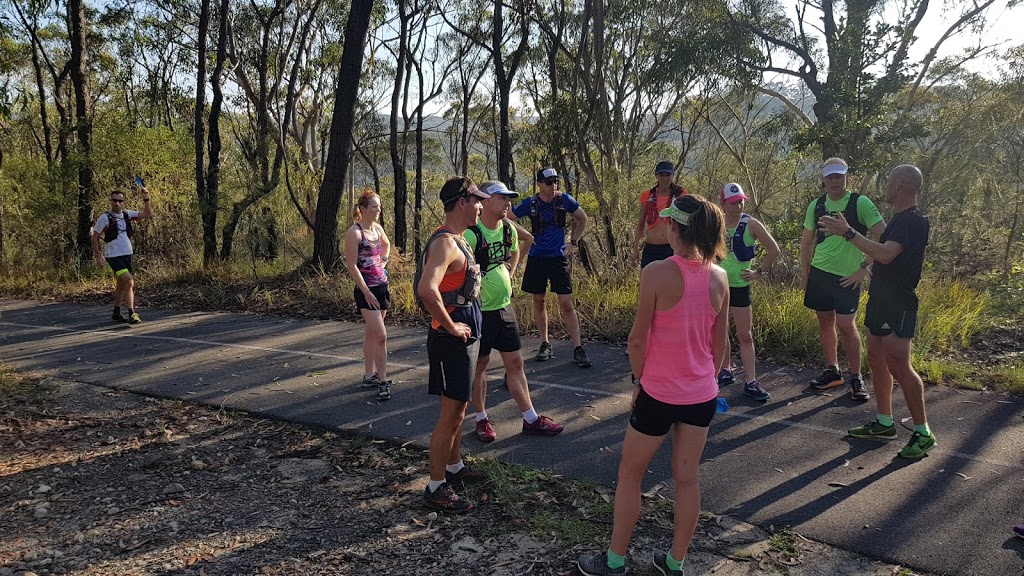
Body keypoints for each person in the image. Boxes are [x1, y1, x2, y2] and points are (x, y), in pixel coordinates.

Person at [577, 194, 729, 576]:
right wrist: (707, 382)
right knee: (686, 479)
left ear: (675, 228)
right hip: (702, 396)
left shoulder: (657, 272)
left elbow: (636, 341)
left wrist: (638, 382)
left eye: (667, 223)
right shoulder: (721, 276)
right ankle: (674, 563)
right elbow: (721, 345)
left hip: (658, 393)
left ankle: (614, 562)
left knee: (630, 474)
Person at [819, 164, 936, 458]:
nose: (884, 186)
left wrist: (848, 232)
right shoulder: (898, 220)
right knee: (877, 359)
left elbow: (885, 254)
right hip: (881, 299)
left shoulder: (912, 220)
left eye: (887, 181)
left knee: (899, 364)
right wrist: (865, 269)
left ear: (898, 185)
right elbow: (881, 256)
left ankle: (923, 433)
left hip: (899, 302)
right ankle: (885, 422)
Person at [465, 181, 564, 443]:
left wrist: (510, 271)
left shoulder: (508, 228)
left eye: (509, 198)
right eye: (502, 198)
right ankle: (481, 419)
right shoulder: (472, 234)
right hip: (480, 311)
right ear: (485, 201)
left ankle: (530, 419)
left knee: (516, 364)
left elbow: (518, 248)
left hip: (503, 308)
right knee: (481, 366)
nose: (508, 203)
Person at [417, 176, 491, 513]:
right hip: (450, 341)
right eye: (476, 200)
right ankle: (435, 487)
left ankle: (455, 467)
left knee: (459, 410)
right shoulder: (445, 244)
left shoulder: (462, 240)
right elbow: (426, 289)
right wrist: (450, 325)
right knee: (450, 415)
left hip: (465, 337)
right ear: (461, 202)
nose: (480, 206)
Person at [799, 157, 885, 401]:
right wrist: (805, 275)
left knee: (847, 326)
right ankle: (833, 370)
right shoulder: (816, 205)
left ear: (847, 176)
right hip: (820, 272)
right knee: (825, 320)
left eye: (839, 175)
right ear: (823, 179)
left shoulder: (861, 203)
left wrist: (864, 268)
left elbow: (883, 235)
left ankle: (856, 377)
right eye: (830, 176)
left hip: (849, 277)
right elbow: (806, 241)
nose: (835, 181)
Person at [509, 167, 592, 367]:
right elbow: (508, 218)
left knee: (566, 303)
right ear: (539, 184)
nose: (552, 186)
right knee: (538, 301)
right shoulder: (530, 203)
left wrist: (573, 242)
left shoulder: (564, 200)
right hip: (537, 258)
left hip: (558, 257)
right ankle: (545, 343)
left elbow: (583, 218)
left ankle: (578, 348)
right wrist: (526, 236)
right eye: (548, 182)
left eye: (555, 182)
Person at [716, 183, 780, 402]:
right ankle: (726, 369)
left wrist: (759, 272)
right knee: (719, 331)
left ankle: (751, 380)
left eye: (741, 201)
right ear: (723, 203)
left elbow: (773, 249)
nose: (738, 205)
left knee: (745, 334)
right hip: (718, 286)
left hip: (741, 287)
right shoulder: (716, 224)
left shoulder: (751, 224)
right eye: (733, 202)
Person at [344, 191, 393, 402]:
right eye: (374, 207)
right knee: (381, 336)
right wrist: (365, 291)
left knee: (372, 334)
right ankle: (383, 382)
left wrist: (383, 261)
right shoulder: (355, 233)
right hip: (367, 291)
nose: (378, 210)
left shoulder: (377, 229)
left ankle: (368, 375)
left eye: (379, 207)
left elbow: (387, 244)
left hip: (382, 287)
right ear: (363, 209)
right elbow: (352, 265)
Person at [91, 184, 154, 324]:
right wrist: (98, 255)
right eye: (114, 200)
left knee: (121, 284)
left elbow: (148, 214)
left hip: (127, 253)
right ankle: (132, 313)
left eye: (120, 201)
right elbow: (95, 237)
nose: (117, 203)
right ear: (111, 201)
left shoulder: (126, 214)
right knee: (129, 281)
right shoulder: (105, 218)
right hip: (113, 256)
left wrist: (146, 199)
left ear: (123, 202)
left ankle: (116, 312)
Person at [630, 160, 687, 268]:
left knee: (672, 284)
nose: (665, 178)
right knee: (646, 283)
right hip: (652, 248)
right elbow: (641, 223)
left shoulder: (681, 194)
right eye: (661, 175)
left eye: (668, 175)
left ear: (672, 175)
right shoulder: (647, 195)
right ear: (656, 176)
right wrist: (635, 250)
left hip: (673, 248)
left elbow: (687, 222)